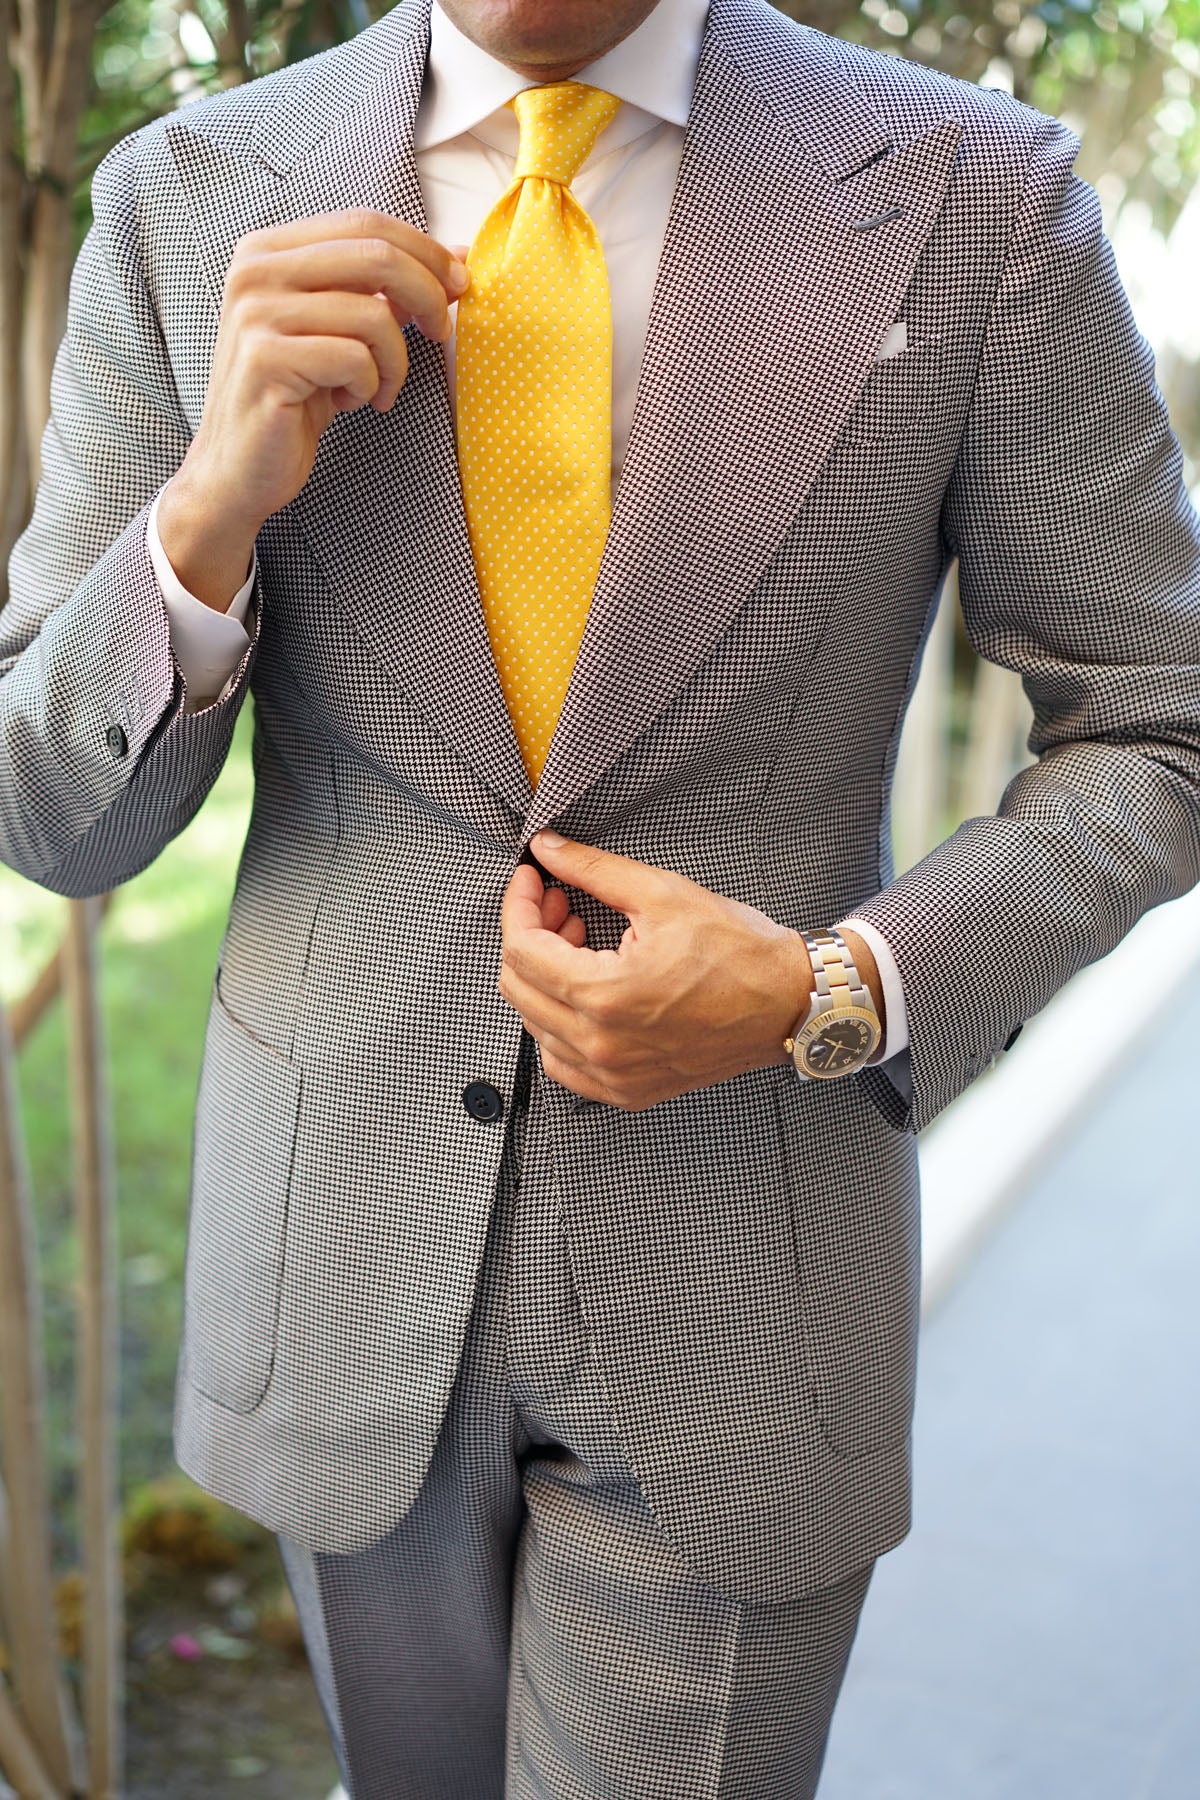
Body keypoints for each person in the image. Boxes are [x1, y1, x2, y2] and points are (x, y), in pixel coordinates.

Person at [3, 0, 1199, 1792]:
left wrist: (840, 980)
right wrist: (201, 521)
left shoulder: (971, 195)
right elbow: (56, 822)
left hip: (746, 1262)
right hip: (338, 1261)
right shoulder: (190, 197)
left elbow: (1159, 723)